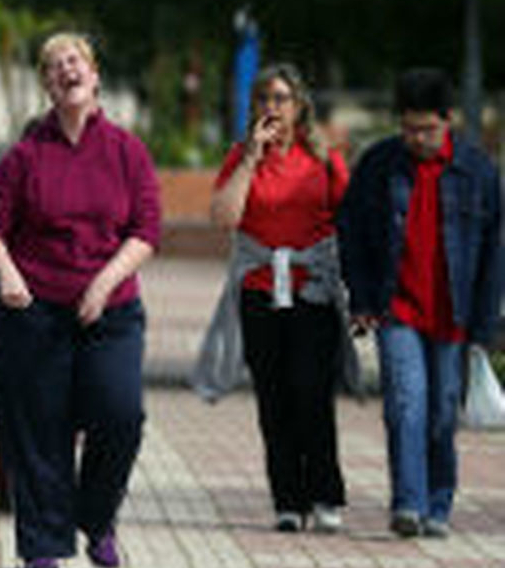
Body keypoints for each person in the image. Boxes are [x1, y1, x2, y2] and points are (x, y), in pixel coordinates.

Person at [0, 32, 159, 568]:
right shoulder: (26, 156)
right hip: (34, 315)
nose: (65, 69)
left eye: (74, 60)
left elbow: (145, 231)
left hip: (111, 312)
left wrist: (103, 284)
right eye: (54, 66)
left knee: (121, 415)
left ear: (94, 75)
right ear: (47, 85)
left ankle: (97, 517)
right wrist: (7, 276)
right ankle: (42, 549)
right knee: (38, 433)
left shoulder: (127, 151)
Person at [337, 68, 502, 539]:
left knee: (441, 413)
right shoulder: (379, 165)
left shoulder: (478, 172)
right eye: (408, 128)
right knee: (406, 405)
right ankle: (407, 504)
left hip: (454, 314)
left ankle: (438, 503)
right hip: (397, 309)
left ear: (448, 121)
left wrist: (485, 328)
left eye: (426, 129)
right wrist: (363, 299)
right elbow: (352, 235)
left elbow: (495, 252)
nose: (416, 138)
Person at [207, 63, 350, 533]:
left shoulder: (324, 157)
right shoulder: (242, 155)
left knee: (312, 392)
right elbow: (224, 217)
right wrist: (250, 157)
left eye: (281, 98)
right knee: (274, 399)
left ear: (299, 105)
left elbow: (348, 219)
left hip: (313, 292)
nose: (272, 107)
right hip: (260, 291)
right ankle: (287, 500)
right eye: (265, 98)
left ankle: (325, 494)